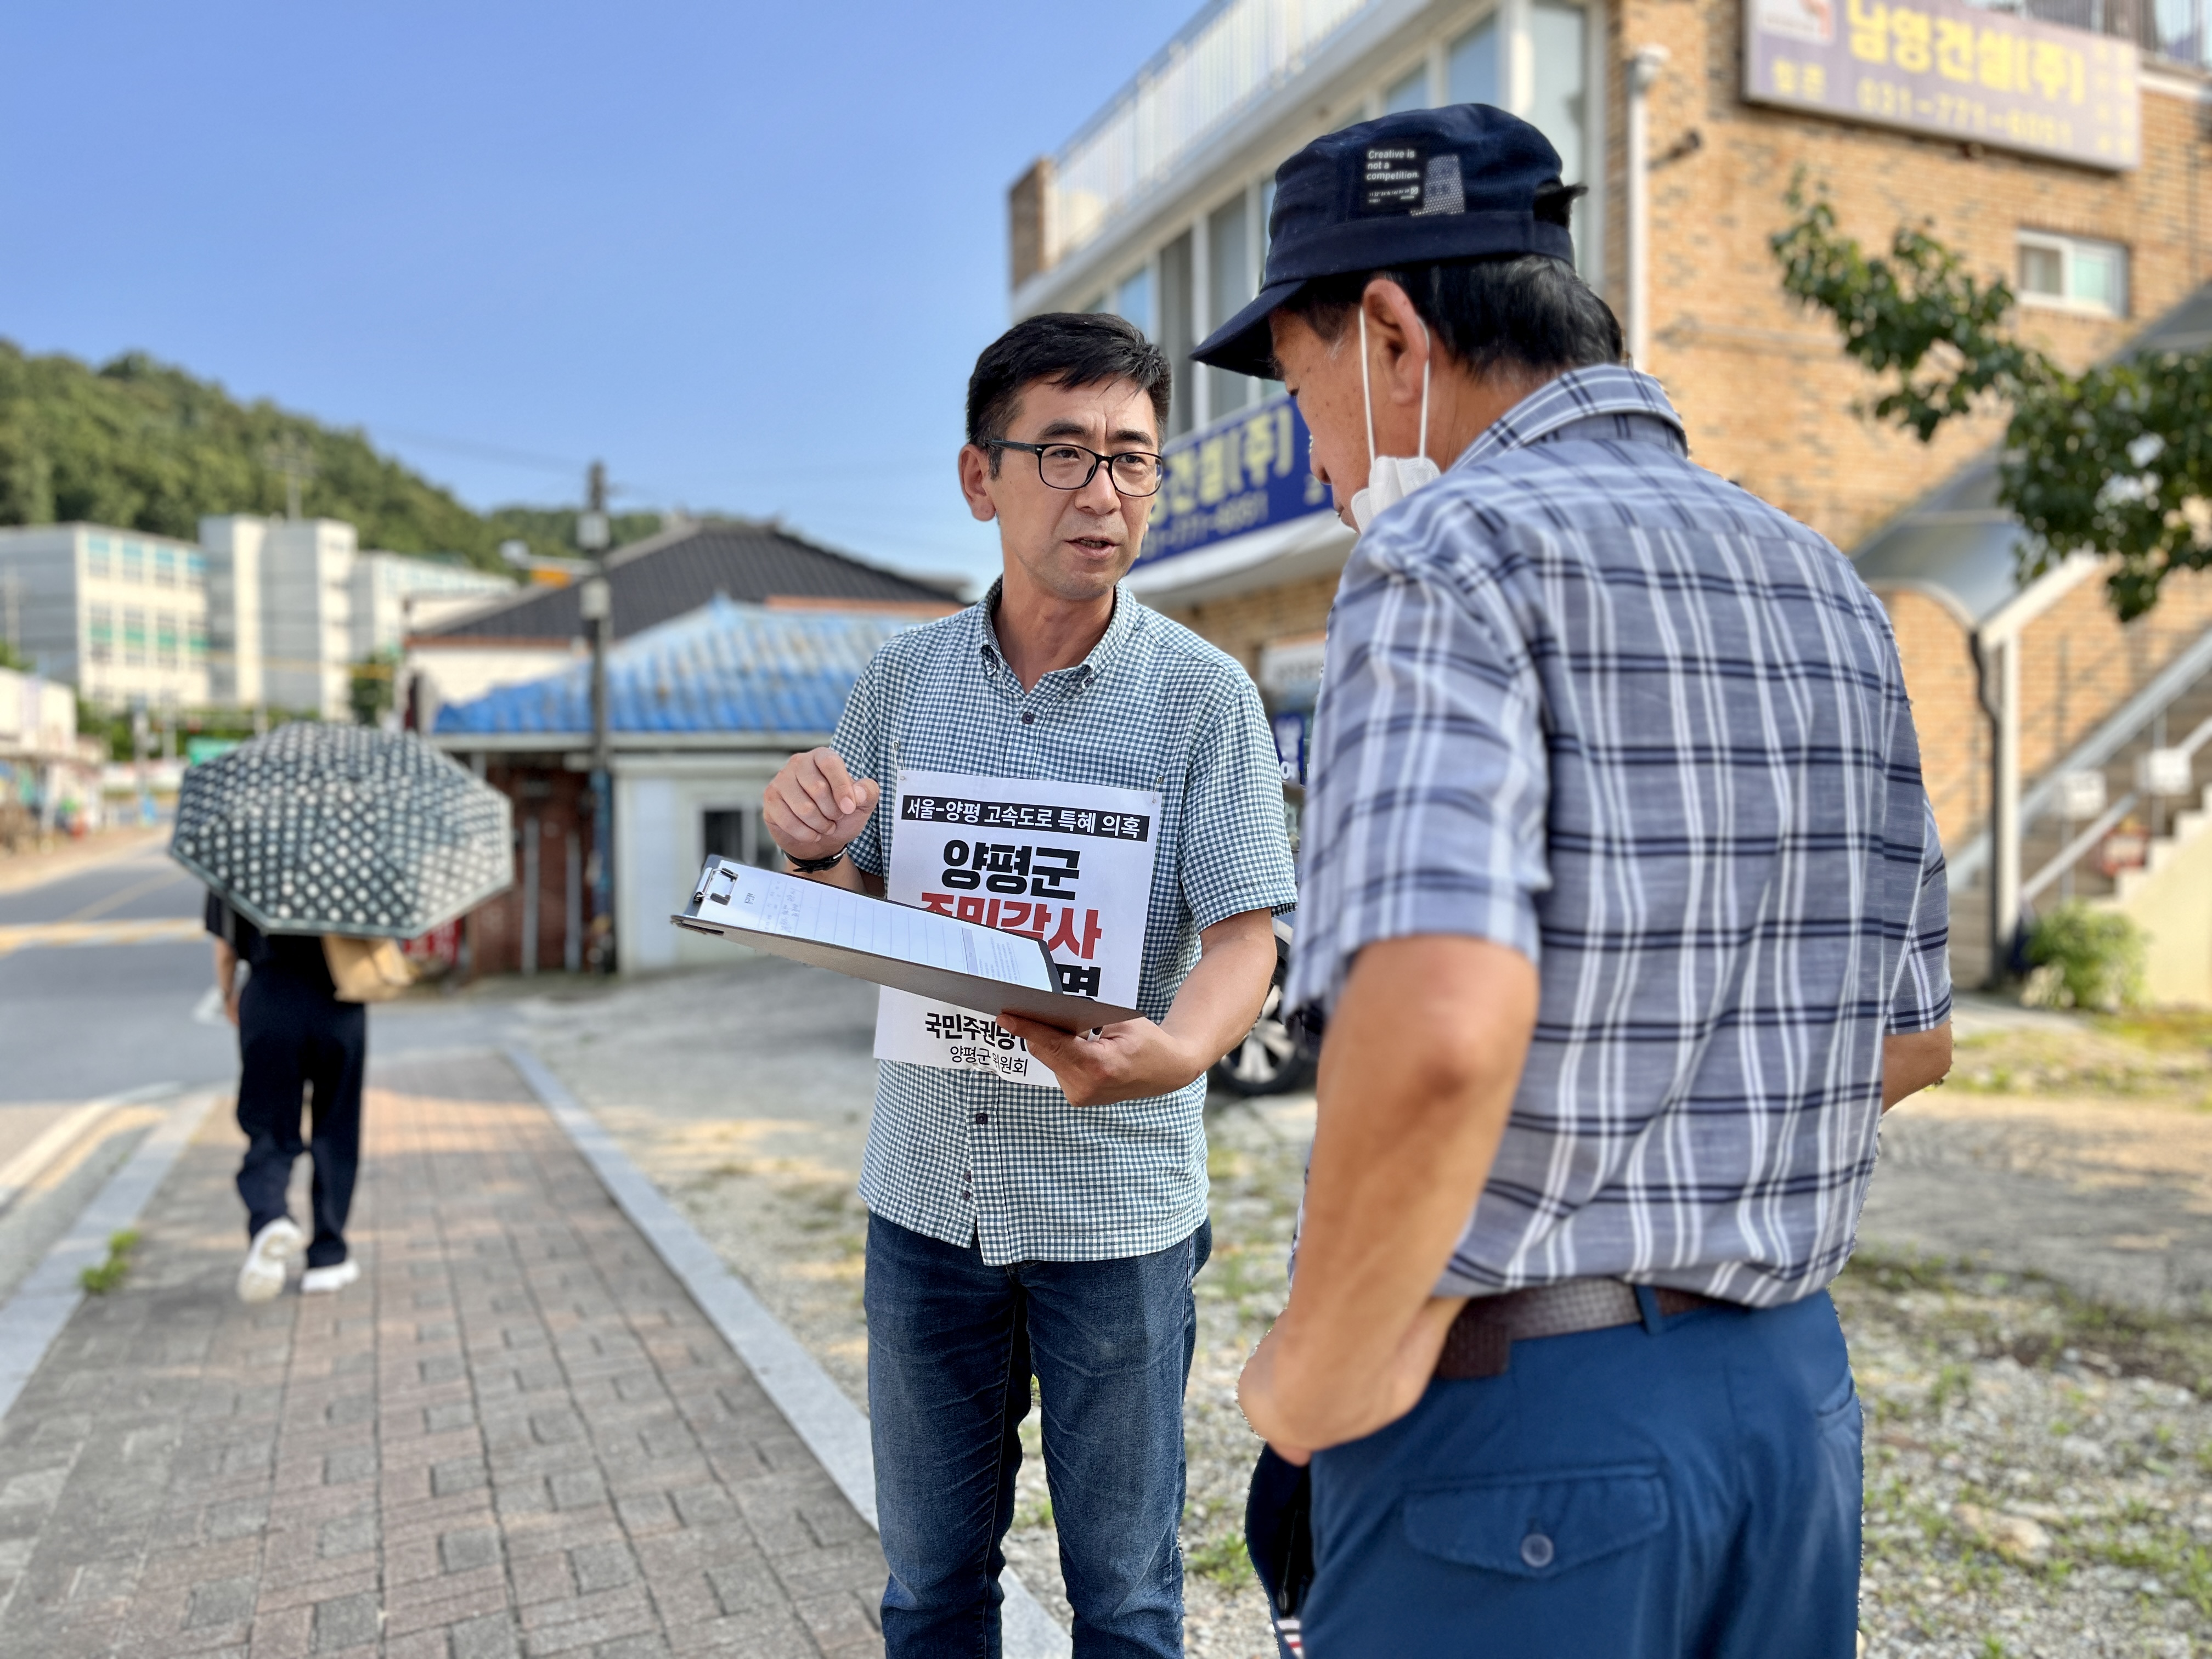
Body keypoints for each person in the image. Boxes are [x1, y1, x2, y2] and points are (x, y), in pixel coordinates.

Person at [1193, 105, 1954, 1656]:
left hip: (1516, 1437)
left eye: (1299, 390)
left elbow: (1438, 1031)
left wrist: (1310, 1377)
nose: (1318, 458)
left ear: (1392, 337)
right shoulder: (1825, 582)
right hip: (1788, 1413)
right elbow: (1911, 1037)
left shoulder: (1447, 555)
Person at [761, 311, 1298, 1657]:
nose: (1102, 492)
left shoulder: (1206, 699)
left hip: (1116, 1210)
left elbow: (1246, 937)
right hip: (926, 1200)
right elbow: (853, 905)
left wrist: (1179, 1052)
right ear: (979, 477)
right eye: (1063, 453)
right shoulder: (899, 685)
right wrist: (811, 847)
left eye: (1131, 457)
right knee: (932, 1591)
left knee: (1127, 1601)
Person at [207, 892, 366, 1302]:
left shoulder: (238, 859)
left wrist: (228, 993)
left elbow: (225, 948)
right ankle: (328, 1257)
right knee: (337, 1127)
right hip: (340, 996)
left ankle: (270, 1217)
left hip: (269, 996)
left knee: (269, 1124)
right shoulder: (353, 857)